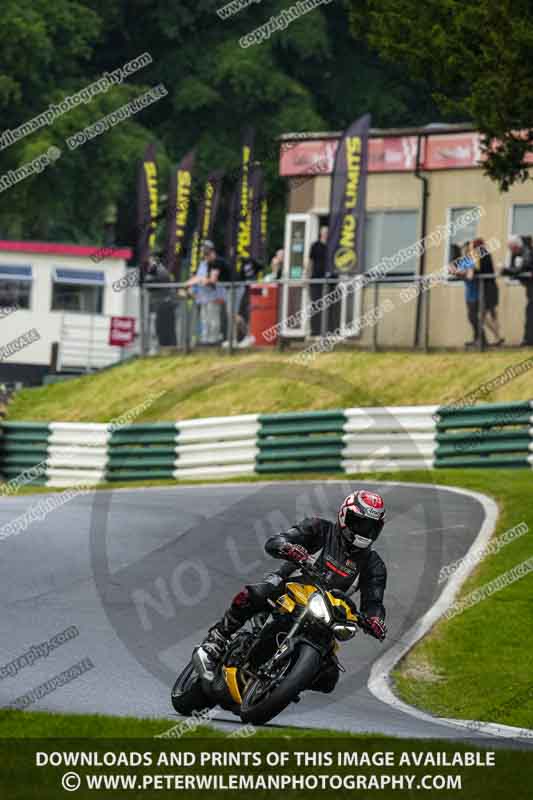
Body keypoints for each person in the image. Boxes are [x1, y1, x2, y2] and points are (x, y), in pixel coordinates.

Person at [194, 489, 388, 692]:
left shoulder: (374, 565)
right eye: (359, 522)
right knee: (258, 594)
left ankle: (286, 681)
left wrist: (375, 620)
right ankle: (217, 639)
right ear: (344, 515)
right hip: (288, 585)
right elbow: (277, 540)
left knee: (329, 677)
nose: (363, 531)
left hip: (326, 613)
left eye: (370, 527)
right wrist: (288, 547)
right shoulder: (319, 528)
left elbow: (374, 602)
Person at [186, 240, 225, 344]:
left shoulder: (215, 262)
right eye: (203, 248)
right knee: (204, 320)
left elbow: (211, 280)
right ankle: (205, 340)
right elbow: (198, 277)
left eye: (206, 248)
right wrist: (192, 288)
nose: (204, 251)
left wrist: (199, 281)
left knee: (213, 319)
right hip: (203, 297)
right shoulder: (202, 264)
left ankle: (214, 340)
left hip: (215, 296)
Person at [449, 241, 485, 348]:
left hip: (475, 295)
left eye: (465, 250)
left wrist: (460, 273)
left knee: (473, 317)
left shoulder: (470, 261)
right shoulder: (463, 262)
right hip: (469, 295)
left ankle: (480, 340)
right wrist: (458, 271)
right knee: (471, 317)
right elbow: (451, 269)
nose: (463, 251)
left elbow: (470, 275)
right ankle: (478, 339)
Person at [501, 234, 533, 346]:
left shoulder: (527, 252)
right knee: (529, 312)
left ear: (515, 246)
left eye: (511, 248)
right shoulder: (519, 254)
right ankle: (528, 340)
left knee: (530, 313)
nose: (510, 250)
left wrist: (505, 270)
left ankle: (528, 340)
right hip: (530, 289)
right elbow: (517, 271)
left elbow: (522, 268)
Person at [472, 238, 503, 346]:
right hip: (491, 287)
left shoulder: (484, 256)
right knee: (492, 313)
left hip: (488, 288)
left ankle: (497, 336)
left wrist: (473, 271)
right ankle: (497, 337)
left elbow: (484, 271)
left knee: (483, 315)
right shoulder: (485, 255)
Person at [308, 226, 329, 336]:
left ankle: (328, 330)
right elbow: (310, 262)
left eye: (327, 232)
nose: (326, 234)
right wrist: (307, 277)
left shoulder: (332, 246)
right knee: (316, 305)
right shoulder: (315, 246)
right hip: (316, 279)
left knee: (329, 305)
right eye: (324, 232)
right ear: (320, 233)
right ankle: (315, 330)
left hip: (330, 281)